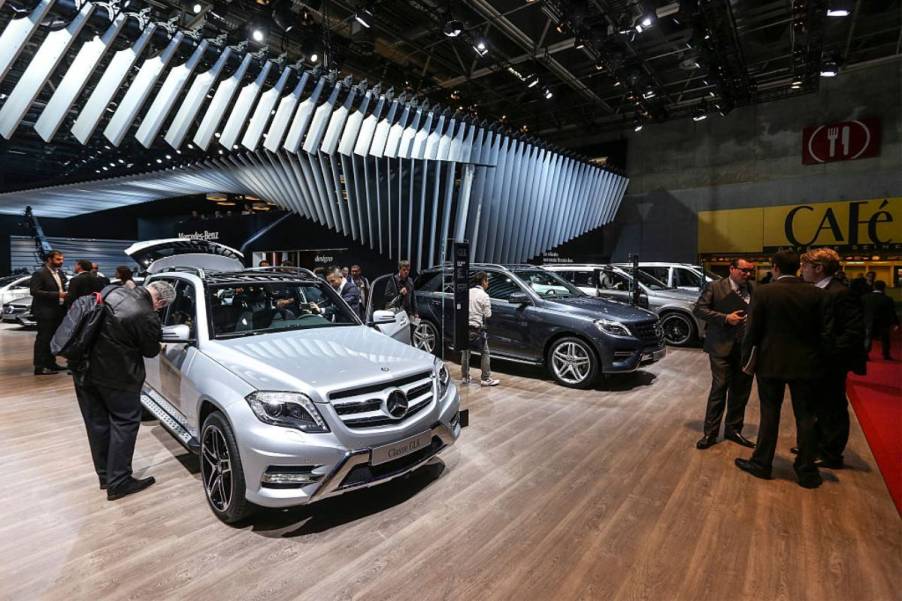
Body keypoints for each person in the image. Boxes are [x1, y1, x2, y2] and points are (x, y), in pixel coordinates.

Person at [736, 250, 831, 489]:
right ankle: (807, 471)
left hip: (771, 363)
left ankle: (762, 463)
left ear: (775, 267)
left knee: (770, 414)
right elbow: (825, 333)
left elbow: (752, 332)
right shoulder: (817, 294)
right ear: (798, 267)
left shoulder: (764, 292)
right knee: (806, 418)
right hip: (807, 365)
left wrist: (746, 360)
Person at [75, 280, 175, 500]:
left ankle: (105, 476)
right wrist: (157, 343)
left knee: (97, 424)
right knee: (125, 423)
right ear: (160, 301)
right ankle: (119, 482)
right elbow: (149, 351)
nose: (159, 309)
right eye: (161, 307)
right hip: (117, 376)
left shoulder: (112, 291)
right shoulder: (146, 314)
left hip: (84, 369)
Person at [799, 248, 865, 469]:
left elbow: (853, 331)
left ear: (818, 268)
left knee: (832, 407)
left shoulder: (840, 293)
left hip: (831, 363)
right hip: (816, 360)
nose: (802, 270)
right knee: (818, 406)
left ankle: (831, 454)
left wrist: (829, 353)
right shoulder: (817, 289)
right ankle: (814, 446)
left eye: (805, 266)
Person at [692, 258, 756, 449]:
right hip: (720, 346)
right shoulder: (714, 286)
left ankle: (734, 430)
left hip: (745, 347)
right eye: (744, 271)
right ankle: (710, 434)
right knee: (719, 388)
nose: (747, 275)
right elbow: (699, 309)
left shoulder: (754, 288)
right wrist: (725, 318)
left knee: (741, 390)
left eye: (750, 271)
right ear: (732, 269)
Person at [29, 250, 68, 375]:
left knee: (53, 340)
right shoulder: (40, 273)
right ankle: (39, 367)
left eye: (62, 259)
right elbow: (34, 291)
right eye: (58, 259)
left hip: (57, 310)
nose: (61, 262)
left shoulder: (60, 272)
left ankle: (51, 363)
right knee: (43, 339)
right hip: (44, 311)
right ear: (49, 259)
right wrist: (58, 294)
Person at [462, 271, 499, 386]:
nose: (488, 283)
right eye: (487, 280)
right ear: (483, 281)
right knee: (485, 352)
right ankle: (485, 378)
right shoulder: (484, 296)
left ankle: (465, 377)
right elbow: (488, 315)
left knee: (465, 352)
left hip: (464, 327)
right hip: (477, 329)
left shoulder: (467, 292)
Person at [862, 280, 899, 360]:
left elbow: (860, 310)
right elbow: (892, 312)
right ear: (884, 288)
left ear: (873, 287)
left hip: (869, 321)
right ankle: (886, 354)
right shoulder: (888, 299)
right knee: (885, 339)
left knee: (868, 338)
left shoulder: (865, 297)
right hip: (883, 322)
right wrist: (896, 323)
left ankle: (865, 354)